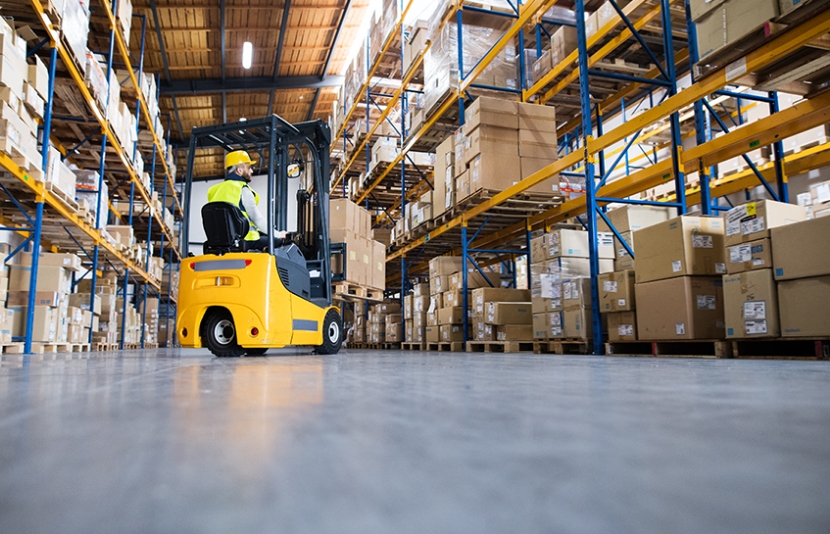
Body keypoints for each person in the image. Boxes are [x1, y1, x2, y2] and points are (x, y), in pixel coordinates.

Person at [207, 150, 271, 250]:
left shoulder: (213, 190)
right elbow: (257, 220)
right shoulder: (243, 189)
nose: (251, 171)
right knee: (281, 243)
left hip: (220, 243)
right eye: (249, 168)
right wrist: (279, 235)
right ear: (239, 170)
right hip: (247, 240)